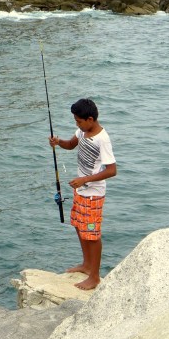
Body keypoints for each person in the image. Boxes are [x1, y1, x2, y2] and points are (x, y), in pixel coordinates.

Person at [48, 98, 116, 290]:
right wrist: (58, 142)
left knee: (92, 234)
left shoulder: (102, 139)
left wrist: (84, 180)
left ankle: (94, 276)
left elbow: (112, 170)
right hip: (81, 192)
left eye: (78, 121)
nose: (76, 124)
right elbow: (70, 144)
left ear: (90, 119)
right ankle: (86, 265)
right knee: (80, 226)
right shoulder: (83, 131)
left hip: (94, 194)